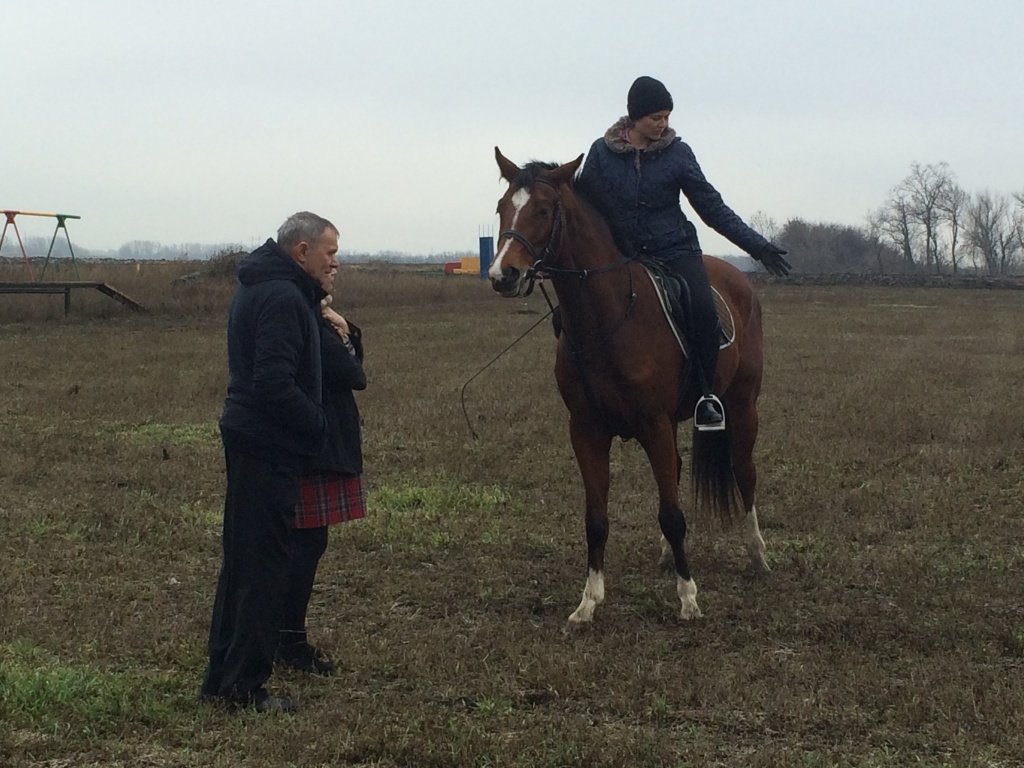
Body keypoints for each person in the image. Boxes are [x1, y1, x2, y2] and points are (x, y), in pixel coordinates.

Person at [576, 75, 791, 429]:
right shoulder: (601, 154)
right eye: (656, 118)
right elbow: (581, 205)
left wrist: (758, 246)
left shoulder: (678, 154)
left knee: (703, 311)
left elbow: (712, 208)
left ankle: (706, 396)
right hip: (623, 255)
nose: (664, 125)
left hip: (675, 251)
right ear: (635, 118)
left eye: (667, 117)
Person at [200, 211, 338, 713]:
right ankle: (243, 688)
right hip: (266, 445)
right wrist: (318, 424)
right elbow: (274, 381)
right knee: (262, 569)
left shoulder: (263, 285)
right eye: (330, 253)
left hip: (250, 437)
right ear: (301, 252)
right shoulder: (282, 296)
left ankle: (222, 678)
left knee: (242, 563)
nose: (334, 263)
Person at [277, 265, 367, 676]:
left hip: (313, 443)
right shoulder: (310, 318)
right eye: (328, 257)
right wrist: (342, 334)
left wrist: (346, 328)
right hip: (316, 446)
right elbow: (353, 375)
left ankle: (285, 634)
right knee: (305, 546)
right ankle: (289, 639)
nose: (335, 267)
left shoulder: (314, 315)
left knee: (304, 545)